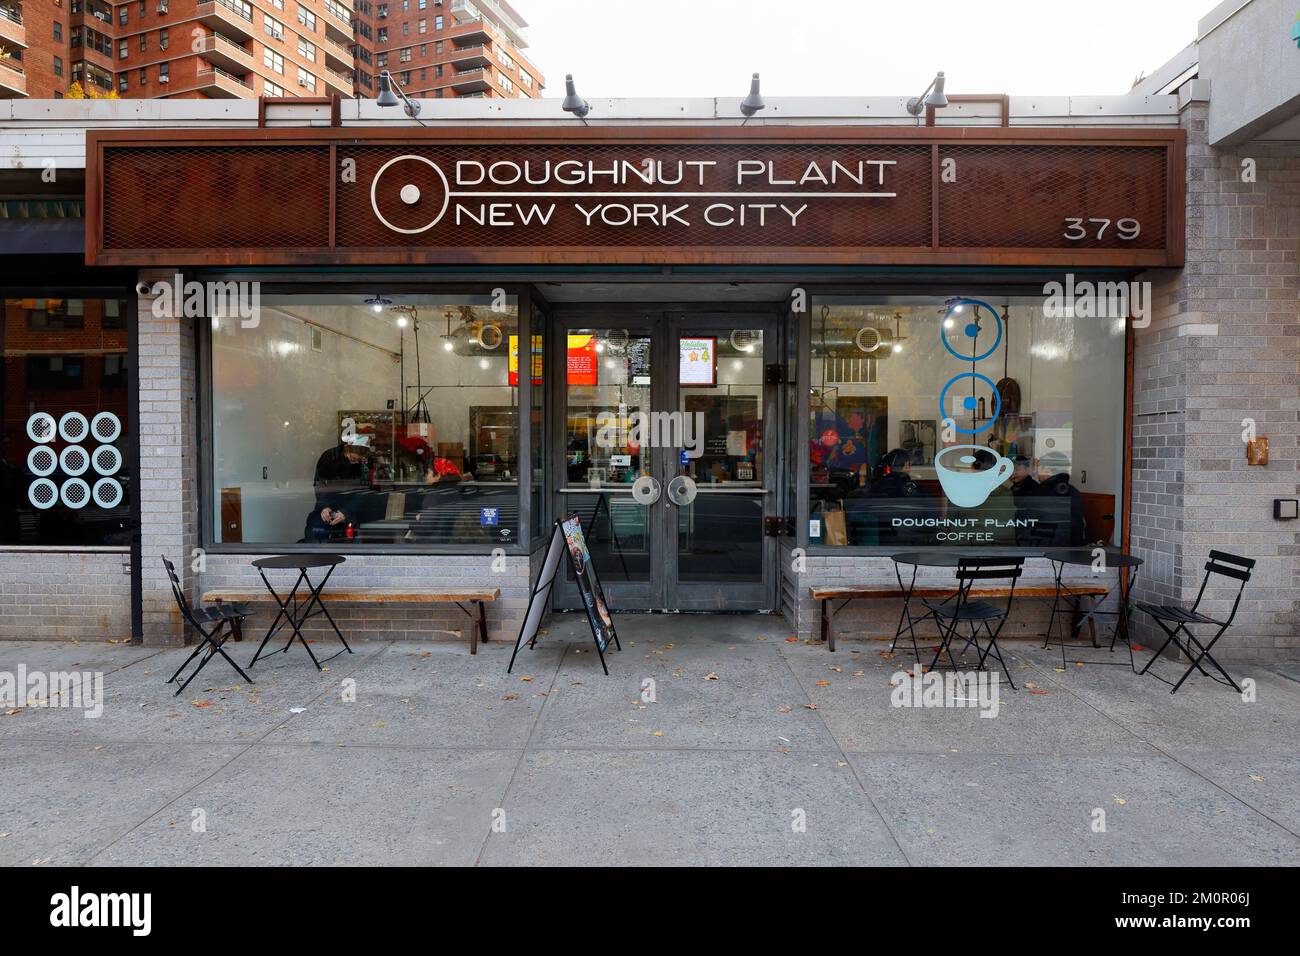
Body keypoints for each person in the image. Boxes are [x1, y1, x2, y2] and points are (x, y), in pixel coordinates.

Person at [303, 435, 377, 542]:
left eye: (358, 460)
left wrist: (346, 511)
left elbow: (365, 489)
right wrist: (324, 506)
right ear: (348, 449)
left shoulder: (366, 461)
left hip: (354, 507)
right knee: (314, 526)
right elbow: (320, 483)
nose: (355, 462)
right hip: (330, 503)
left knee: (355, 533)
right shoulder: (329, 456)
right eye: (353, 459)